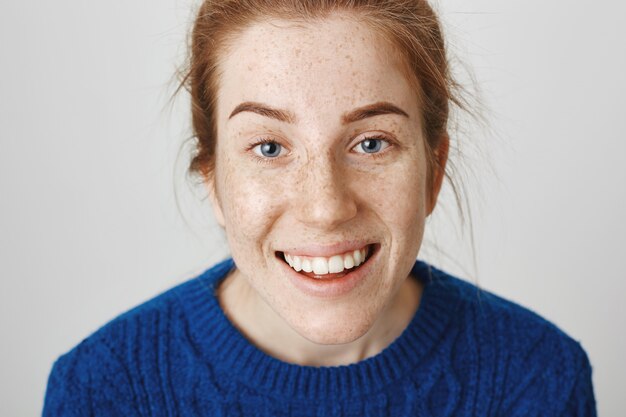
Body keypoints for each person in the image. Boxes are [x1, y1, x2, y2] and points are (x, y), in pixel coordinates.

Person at [43, 0, 597, 415]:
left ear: (434, 169)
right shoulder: (103, 388)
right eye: (269, 147)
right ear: (212, 177)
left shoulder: (538, 378)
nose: (325, 207)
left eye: (371, 143)